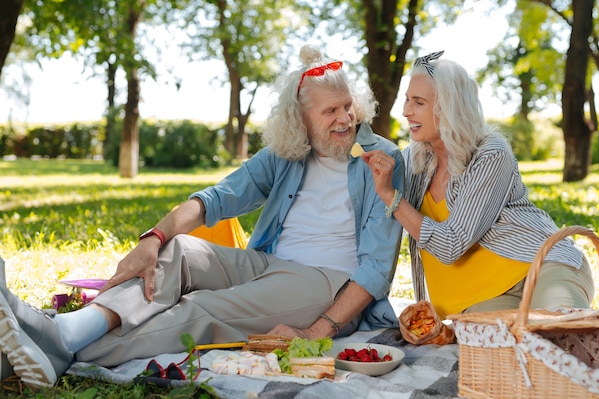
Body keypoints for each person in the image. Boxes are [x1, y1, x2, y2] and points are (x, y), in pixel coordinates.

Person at [0, 44, 404, 389]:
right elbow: (216, 199)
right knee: (179, 252)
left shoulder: (383, 161)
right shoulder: (287, 154)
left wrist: (318, 330)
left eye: (348, 106)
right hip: (269, 265)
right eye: (331, 110)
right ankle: (66, 331)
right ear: (301, 120)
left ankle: (52, 343)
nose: (346, 119)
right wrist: (153, 238)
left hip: (329, 288)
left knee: (201, 307)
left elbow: (375, 269)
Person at [362, 50, 594, 320]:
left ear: (449, 106)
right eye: (407, 100)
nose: (405, 111)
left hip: (543, 269)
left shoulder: (490, 154)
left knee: (557, 334)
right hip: (480, 300)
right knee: (500, 354)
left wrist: (392, 197)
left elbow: (451, 244)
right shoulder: (411, 162)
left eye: (418, 102)